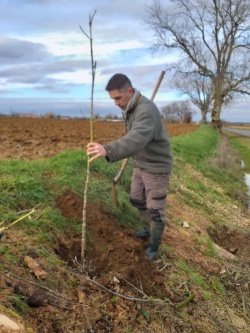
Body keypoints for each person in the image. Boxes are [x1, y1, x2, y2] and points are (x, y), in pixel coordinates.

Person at [87, 74, 173, 260]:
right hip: (141, 163)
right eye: (113, 99)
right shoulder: (131, 107)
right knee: (136, 198)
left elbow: (136, 138)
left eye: (118, 98)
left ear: (130, 91)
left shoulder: (146, 110)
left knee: (155, 209)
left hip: (156, 166)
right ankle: (146, 228)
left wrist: (108, 150)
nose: (116, 103)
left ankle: (153, 247)